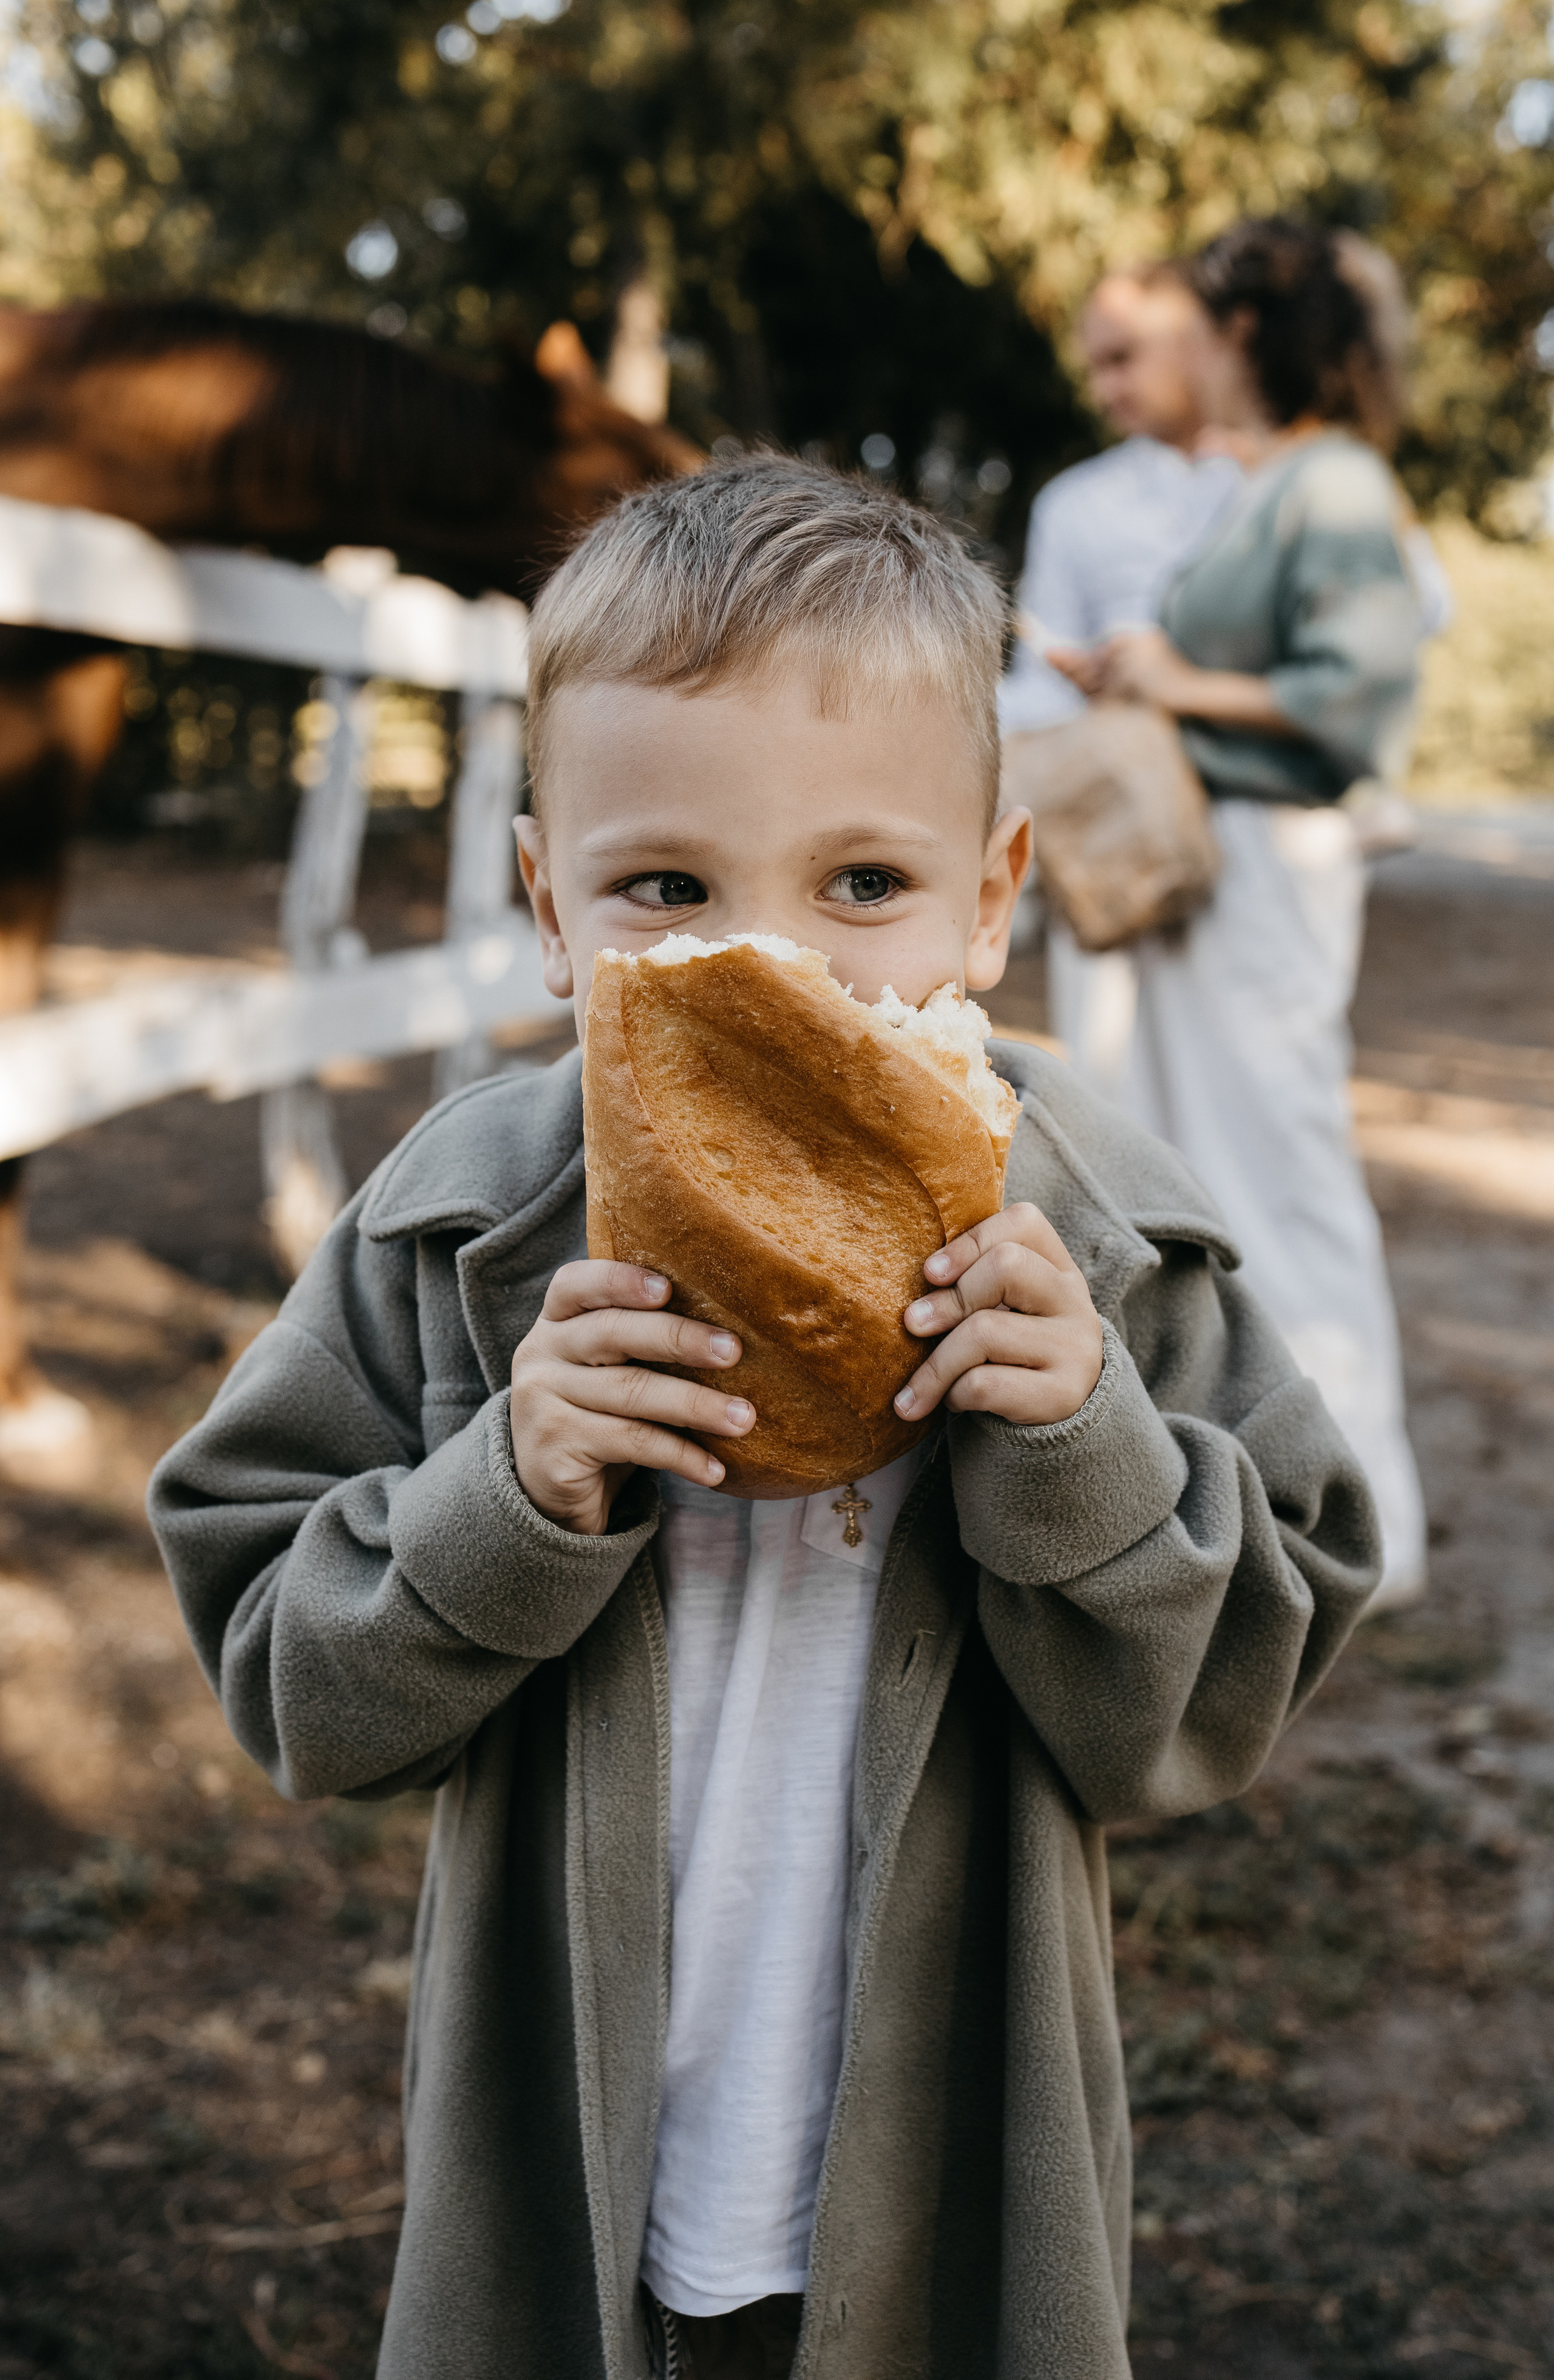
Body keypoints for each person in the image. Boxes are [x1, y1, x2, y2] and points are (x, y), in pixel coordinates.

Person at [148, 457, 1379, 2380]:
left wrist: (1087, 1448)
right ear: (552, 909)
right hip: (569, 2190)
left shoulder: (1093, 1234)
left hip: (951, 2178)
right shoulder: (459, 1219)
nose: (770, 971)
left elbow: (1215, 1709)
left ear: (989, 899)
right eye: (667, 891)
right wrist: (505, 1494)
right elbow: (286, 1683)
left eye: (862, 884)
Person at [1047, 216, 1429, 1611]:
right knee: (1202, 1170)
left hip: (1271, 867)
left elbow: (1357, 690)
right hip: (1214, 868)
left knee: (1282, 1166)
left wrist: (1174, 683)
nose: (1174, 355)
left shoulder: (1326, 484)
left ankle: (1359, 1520)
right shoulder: (1268, 485)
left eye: (1195, 328)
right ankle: (1257, 1492)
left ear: (1242, 339)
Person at [999, 262, 1241, 736]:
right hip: (1121, 773)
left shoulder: (1285, 477)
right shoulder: (1072, 504)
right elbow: (1040, 687)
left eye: (1122, 359)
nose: (1103, 391)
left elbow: (1415, 608)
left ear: (1192, 340)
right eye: (1095, 369)